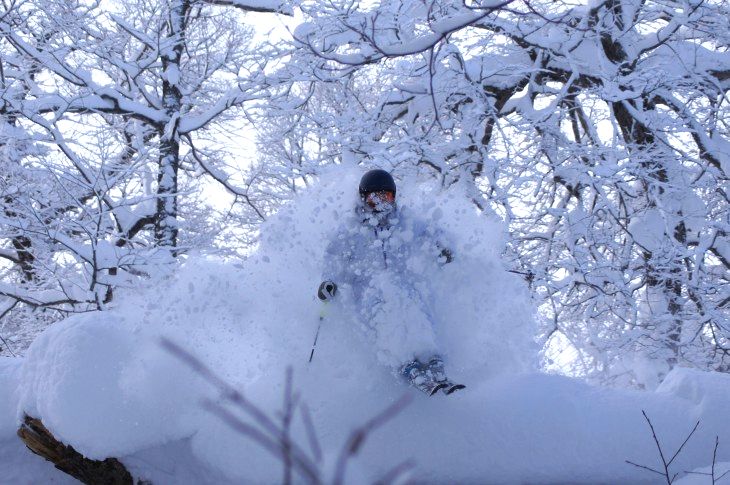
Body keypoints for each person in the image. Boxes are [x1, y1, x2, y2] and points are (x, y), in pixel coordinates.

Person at [317, 169, 464, 396]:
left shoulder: (405, 222)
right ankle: (408, 367)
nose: (380, 202)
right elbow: (333, 258)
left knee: (416, 309)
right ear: (363, 198)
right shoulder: (351, 230)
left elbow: (429, 233)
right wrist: (329, 282)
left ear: (394, 197)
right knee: (384, 316)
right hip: (366, 294)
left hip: (403, 286)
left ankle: (434, 364)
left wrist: (442, 249)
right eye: (374, 197)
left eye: (386, 196)